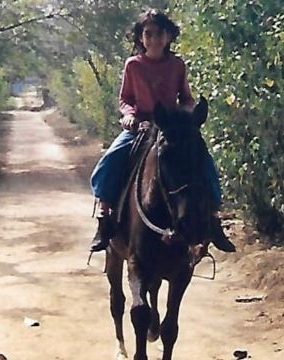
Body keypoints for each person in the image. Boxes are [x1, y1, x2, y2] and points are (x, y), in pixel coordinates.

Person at [88, 9, 235, 253]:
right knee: (110, 161)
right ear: (140, 37)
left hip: (172, 129)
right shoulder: (133, 65)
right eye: (148, 34)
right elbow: (125, 99)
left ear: (168, 36)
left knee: (204, 162)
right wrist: (129, 116)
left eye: (159, 34)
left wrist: (188, 113)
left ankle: (213, 219)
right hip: (141, 127)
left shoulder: (176, 65)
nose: (154, 39)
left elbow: (186, 97)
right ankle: (105, 219)